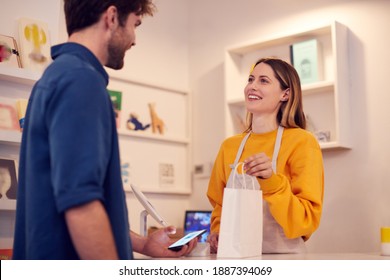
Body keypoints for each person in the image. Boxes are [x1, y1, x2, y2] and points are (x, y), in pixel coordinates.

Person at [13, 0, 196, 260]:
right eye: (135, 24)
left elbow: (72, 194)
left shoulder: (57, 77)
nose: (134, 39)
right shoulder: (81, 81)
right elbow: (81, 205)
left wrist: (142, 244)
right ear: (111, 17)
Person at [207, 57, 324, 254]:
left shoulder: (303, 142)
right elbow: (220, 203)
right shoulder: (229, 146)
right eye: (250, 79)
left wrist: (272, 181)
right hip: (236, 256)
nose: (252, 86)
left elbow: (306, 220)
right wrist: (218, 231)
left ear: (285, 94)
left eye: (263, 81)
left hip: (285, 260)